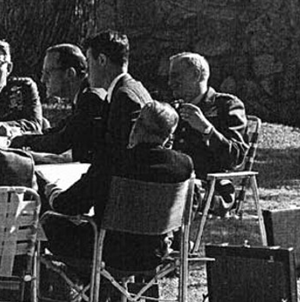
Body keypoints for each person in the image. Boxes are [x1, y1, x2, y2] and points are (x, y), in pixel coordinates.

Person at [42, 101, 193, 272]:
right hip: (154, 253)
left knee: (47, 222)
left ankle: (57, 290)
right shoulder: (183, 165)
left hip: (106, 252)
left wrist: (52, 191)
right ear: (168, 136)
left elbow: (70, 205)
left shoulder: (112, 161)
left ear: (136, 128)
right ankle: (100, 291)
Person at [168, 52, 249, 213]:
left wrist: (207, 129)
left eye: (176, 76)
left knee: (170, 196)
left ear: (196, 75)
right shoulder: (173, 108)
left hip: (213, 189)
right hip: (176, 183)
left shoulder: (226, 106)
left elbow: (235, 158)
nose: (170, 83)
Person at [10, 43, 107, 164]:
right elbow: (62, 128)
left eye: (48, 73)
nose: (43, 80)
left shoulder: (91, 98)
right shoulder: (83, 95)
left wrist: (25, 141)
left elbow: (61, 142)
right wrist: (29, 136)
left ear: (70, 73)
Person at [83, 30, 153, 160]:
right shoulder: (134, 88)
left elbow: (118, 154)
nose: (87, 71)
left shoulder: (124, 96)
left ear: (102, 60)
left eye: (88, 62)